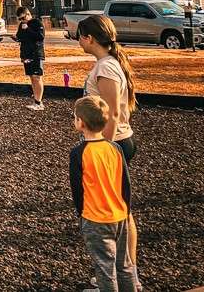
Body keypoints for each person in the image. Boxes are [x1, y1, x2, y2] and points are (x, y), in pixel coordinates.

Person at [77, 13, 139, 265]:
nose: (78, 41)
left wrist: (105, 148)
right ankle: (124, 269)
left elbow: (112, 112)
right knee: (118, 207)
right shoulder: (108, 63)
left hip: (114, 143)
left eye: (80, 36)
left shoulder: (106, 67)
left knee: (119, 211)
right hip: (112, 142)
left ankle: (125, 269)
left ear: (89, 38)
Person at [70, 96, 139, 292]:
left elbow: (77, 189)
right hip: (120, 215)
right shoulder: (115, 148)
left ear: (81, 123)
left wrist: (81, 214)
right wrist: (126, 211)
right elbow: (126, 184)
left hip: (95, 218)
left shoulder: (78, 153)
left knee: (105, 269)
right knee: (124, 265)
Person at [15, 6, 46, 111]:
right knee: (32, 78)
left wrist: (28, 29)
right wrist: (16, 37)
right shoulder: (22, 25)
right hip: (26, 54)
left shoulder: (37, 23)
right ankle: (36, 101)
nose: (22, 21)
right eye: (19, 19)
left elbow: (40, 37)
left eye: (23, 18)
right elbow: (20, 37)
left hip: (36, 54)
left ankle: (39, 102)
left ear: (28, 14)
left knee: (37, 77)